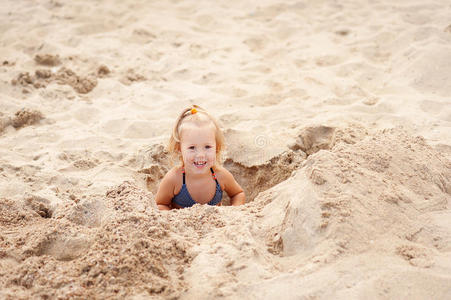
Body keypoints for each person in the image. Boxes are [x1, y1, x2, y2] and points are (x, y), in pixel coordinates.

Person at [155, 105, 245, 210]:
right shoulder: (174, 179)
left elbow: (238, 194)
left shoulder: (220, 176)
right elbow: (161, 204)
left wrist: (234, 210)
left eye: (207, 147)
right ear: (179, 149)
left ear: (217, 147)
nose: (201, 155)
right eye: (192, 147)